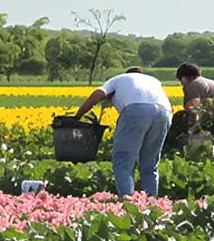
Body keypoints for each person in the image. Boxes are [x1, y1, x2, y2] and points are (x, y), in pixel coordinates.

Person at [74, 66, 172, 199]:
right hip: (164, 112)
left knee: (123, 159)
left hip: (135, 111)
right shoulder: (153, 80)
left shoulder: (117, 79)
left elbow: (97, 95)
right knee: (150, 162)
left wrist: (77, 117)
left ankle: (127, 200)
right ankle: (151, 201)